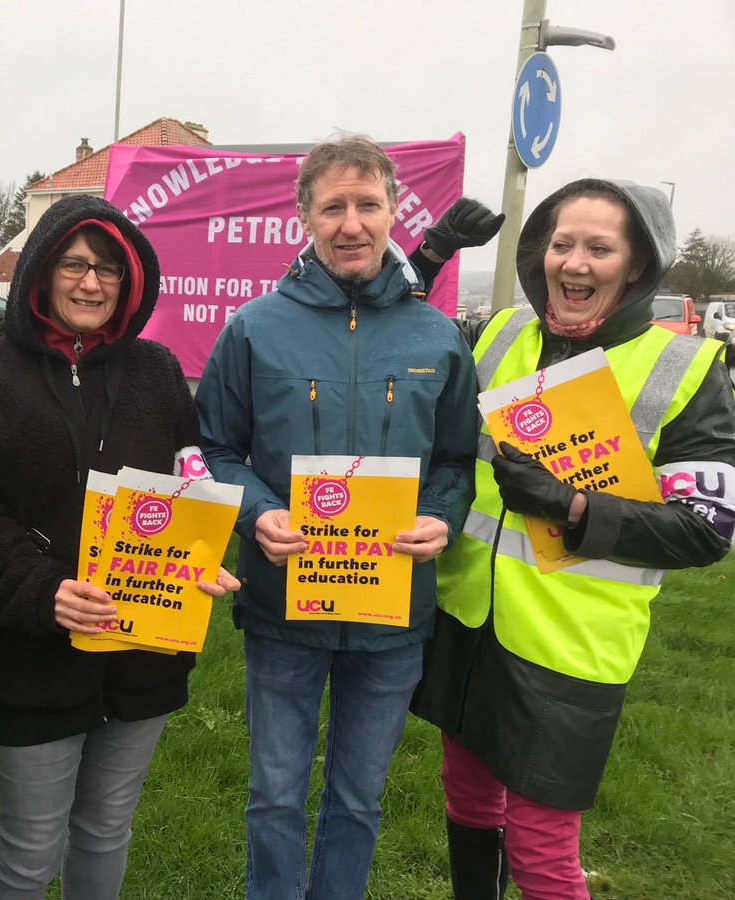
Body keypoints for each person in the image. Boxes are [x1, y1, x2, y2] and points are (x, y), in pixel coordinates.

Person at [410, 179, 735, 900]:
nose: (575, 262)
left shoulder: (684, 369)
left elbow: (706, 530)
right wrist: (429, 255)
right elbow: (390, 326)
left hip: (570, 646)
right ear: (540, 253)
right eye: (562, 244)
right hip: (468, 618)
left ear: (638, 264)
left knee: (542, 849)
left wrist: (573, 506)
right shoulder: (501, 333)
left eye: (600, 248)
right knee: (467, 799)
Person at [194, 135, 482, 900]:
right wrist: (256, 512)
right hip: (283, 606)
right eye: (332, 208)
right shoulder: (253, 328)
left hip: (392, 614)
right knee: (275, 797)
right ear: (305, 217)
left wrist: (440, 517)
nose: (351, 223)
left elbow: (457, 459)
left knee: (358, 800)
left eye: (367, 205)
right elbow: (214, 448)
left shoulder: (437, 336)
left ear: (392, 213)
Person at [0, 194, 240, 900]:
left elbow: (189, 476)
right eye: (74, 264)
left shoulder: (158, 371)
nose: (90, 283)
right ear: (41, 271)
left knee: (107, 829)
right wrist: (43, 591)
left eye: (108, 269)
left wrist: (202, 553)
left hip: (143, 649)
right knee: (29, 852)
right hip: (31, 655)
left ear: (129, 282)